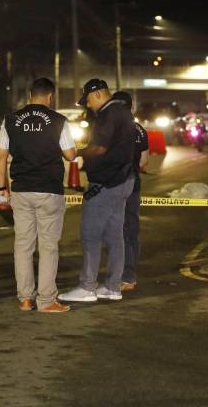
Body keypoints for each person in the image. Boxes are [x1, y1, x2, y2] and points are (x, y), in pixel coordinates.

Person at [0, 78, 76, 314]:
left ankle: (25, 299)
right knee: (48, 246)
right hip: (49, 189)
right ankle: (47, 299)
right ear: (50, 96)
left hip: (21, 189)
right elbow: (70, 155)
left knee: (23, 245)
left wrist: (2, 188)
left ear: (30, 95)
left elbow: (0, 157)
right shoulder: (59, 121)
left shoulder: (11, 120)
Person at [58, 79, 136, 303]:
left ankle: (87, 287)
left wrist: (78, 153)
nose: (88, 105)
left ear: (98, 94)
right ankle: (113, 287)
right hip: (123, 180)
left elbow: (99, 148)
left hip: (105, 183)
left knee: (90, 235)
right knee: (115, 236)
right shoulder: (123, 111)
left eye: (88, 100)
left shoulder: (107, 114)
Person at [111, 90, 149, 292]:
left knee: (113, 229)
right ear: (131, 107)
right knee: (131, 229)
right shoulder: (139, 130)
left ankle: (120, 274)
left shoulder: (109, 128)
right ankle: (129, 276)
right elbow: (143, 161)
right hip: (133, 182)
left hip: (112, 184)